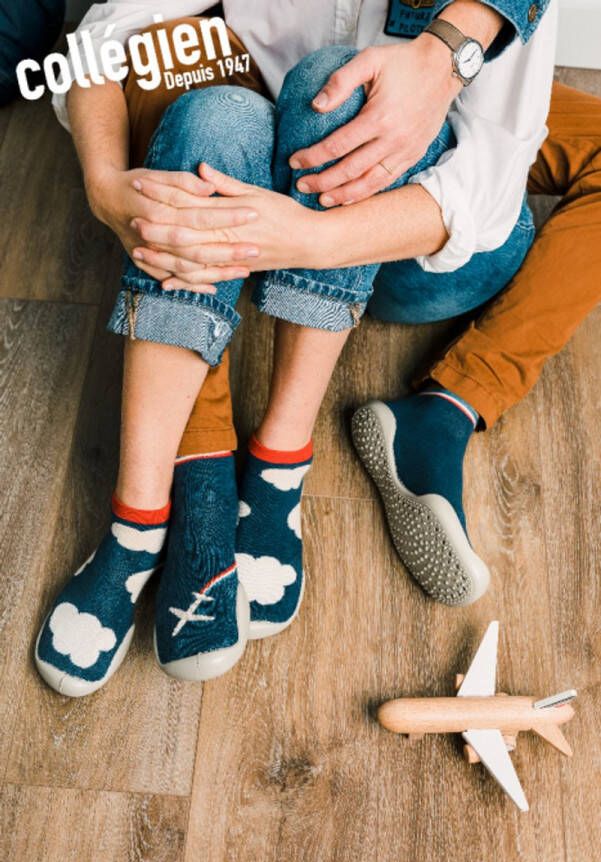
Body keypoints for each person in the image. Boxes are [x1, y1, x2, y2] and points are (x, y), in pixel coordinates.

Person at [35, 0, 563, 696]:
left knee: (337, 84)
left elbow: (485, 196)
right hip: (267, 183)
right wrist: (105, 188)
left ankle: (278, 464)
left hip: (419, 251)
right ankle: (137, 518)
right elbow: (99, 42)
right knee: (215, 117)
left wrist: (311, 238)